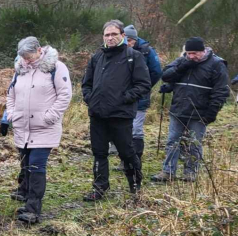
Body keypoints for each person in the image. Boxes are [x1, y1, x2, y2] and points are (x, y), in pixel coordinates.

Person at [4, 37, 73, 223]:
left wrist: (49, 116)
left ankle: (33, 209)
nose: (27, 60)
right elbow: (10, 94)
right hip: (22, 128)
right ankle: (27, 200)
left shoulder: (57, 68)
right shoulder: (20, 70)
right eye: (23, 57)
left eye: (29, 56)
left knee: (36, 166)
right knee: (25, 165)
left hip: (44, 128)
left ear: (39, 50)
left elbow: (65, 95)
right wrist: (11, 113)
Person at [81, 20, 150, 201]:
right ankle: (100, 187)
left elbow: (143, 84)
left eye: (114, 34)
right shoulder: (97, 57)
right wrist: (90, 99)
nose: (110, 38)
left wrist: (124, 99)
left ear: (122, 36)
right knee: (99, 152)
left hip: (120, 115)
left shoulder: (133, 56)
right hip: (97, 114)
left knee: (126, 152)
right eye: (107, 35)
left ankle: (135, 184)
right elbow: (86, 84)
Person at [151, 37, 230, 182]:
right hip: (178, 109)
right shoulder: (183, 61)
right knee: (172, 141)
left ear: (203, 51)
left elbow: (221, 91)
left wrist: (212, 113)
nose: (191, 56)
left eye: (195, 53)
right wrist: (182, 67)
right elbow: (166, 75)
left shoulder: (217, 64)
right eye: (188, 53)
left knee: (194, 143)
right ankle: (168, 172)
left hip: (200, 112)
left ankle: (190, 173)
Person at [108, 25, 162, 167]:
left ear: (134, 40)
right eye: (127, 40)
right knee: (122, 129)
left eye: (130, 40)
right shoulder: (118, 51)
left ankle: (135, 160)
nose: (128, 43)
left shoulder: (147, 51)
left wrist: (142, 87)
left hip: (140, 98)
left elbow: (156, 72)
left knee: (136, 130)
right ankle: (124, 160)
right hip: (120, 98)